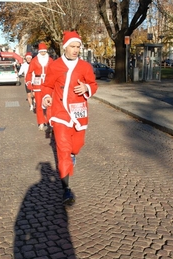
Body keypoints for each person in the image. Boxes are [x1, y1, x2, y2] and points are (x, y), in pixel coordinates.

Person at [41, 31, 98, 205]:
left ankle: (73, 154)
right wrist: (46, 97)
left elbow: (94, 85)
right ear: (65, 47)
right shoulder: (55, 65)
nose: (76, 50)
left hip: (79, 113)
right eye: (72, 46)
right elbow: (47, 86)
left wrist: (86, 87)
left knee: (76, 146)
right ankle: (66, 190)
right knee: (63, 150)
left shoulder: (85, 67)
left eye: (78, 46)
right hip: (60, 114)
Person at [25, 43, 54, 131]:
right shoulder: (34, 60)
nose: (43, 53)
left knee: (49, 103)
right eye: (41, 52)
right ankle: (41, 122)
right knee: (38, 104)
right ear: (39, 52)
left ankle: (49, 121)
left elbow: (55, 72)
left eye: (44, 52)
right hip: (38, 83)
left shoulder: (51, 60)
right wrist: (29, 82)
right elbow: (29, 72)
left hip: (48, 83)